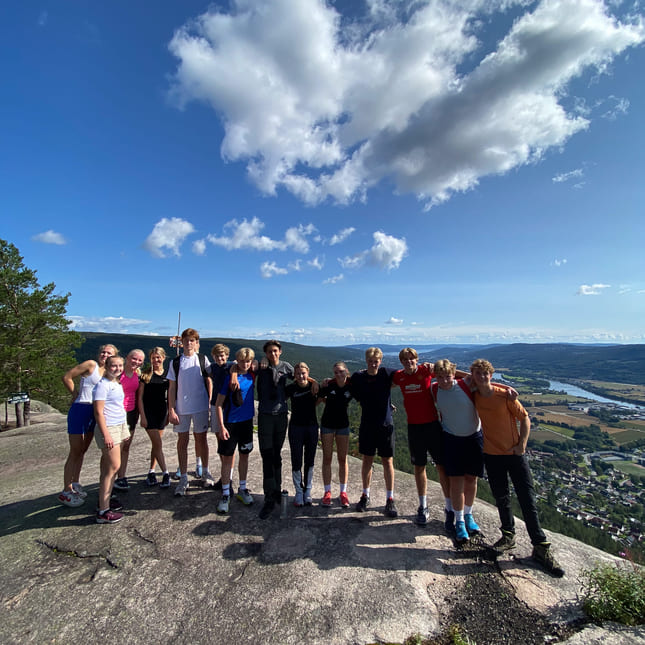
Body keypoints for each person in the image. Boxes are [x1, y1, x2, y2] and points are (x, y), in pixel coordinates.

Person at [470, 359, 565, 576]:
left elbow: (525, 418)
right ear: (473, 375)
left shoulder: (505, 396)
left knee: (527, 499)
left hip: (514, 455)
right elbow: (456, 375)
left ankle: (540, 547)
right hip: (491, 456)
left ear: (491, 375)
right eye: (478, 373)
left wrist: (521, 446)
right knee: (502, 498)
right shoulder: (474, 394)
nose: (482, 377)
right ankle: (508, 536)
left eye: (486, 373)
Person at [393, 348, 458, 527]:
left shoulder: (426, 370)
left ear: (417, 359)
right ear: (401, 362)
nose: (409, 362)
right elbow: (381, 383)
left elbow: (451, 373)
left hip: (432, 426)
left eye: (411, 358)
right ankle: (423, 506)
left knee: (441, 467)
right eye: (405, 359)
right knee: (419, 467)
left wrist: (479, 377)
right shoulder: (398, 376)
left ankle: (450, 508)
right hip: (414, 428)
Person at [59, 344, 118, 507]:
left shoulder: (109, 373)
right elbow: (67, 377)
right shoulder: (91, 365)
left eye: (109, 353)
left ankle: (75, 484)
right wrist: (75, 394)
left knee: (83, 450)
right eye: (103, 351)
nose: (105, 354)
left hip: (95, 413)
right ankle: (66, 490)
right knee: (75, 450)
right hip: (81, 409)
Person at [431, 359, 482, 543]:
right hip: (451, 439)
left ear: (454, 374)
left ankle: (469, 515)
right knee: (456, 482)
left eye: (448, 376)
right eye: (440, 376)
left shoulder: (464, 384)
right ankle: (459, 520)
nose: (444, 380)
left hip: (474, 437)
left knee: (472, 478)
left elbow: (478, 377)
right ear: (436, 377)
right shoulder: (434, 389)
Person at [350, 347, 398, 518]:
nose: (373, 364)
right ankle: (365, 494)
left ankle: (390, 498)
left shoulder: (386, 373)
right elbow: (347, 385)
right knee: (367, 461)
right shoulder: (358, 377)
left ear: (380, 361)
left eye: (376, 361)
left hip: (385, 425)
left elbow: (406, 375)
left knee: (387, 462)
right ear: (366, 361)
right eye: (370, 361)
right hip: (368, 425)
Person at [167, 328, 214, 496]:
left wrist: (209, 401)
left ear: (196, 343)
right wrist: (171, 409)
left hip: (200, 405)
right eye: (186, 340)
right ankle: (184, 476)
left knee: (201, 439)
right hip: (182, 408)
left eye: (192, 340)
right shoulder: (175, 362)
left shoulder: (202, 359)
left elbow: (210, 378)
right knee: (182, 441)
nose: (188, 343)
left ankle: (206, 471)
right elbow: (171, 387)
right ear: (182, 342)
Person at [214, 347, 256, 514]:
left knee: (244, 456)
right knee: (227, 459)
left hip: (246, 423)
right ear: (236, 361)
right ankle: (225, 493)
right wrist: (221, 426)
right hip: (231, 423)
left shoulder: (252, 374)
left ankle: (243, 489)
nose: (245, 364)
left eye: (248, 361)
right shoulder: (229, 379)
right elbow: (218, 404)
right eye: (242, 361)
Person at [256, 340, 294, 519]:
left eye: (275, 351)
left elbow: (301, 375)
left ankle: (277, 490)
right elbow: (237, 364)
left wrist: (315, 382)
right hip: (265, 415)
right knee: (267, 455)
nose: (273, 354)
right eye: (269, 352)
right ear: (265, 353)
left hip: (281, 416)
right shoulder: (260, 366)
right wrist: (260, 360)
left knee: (276, 454)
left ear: (281, 352)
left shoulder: (286, 367)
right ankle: (269, 496)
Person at [93, 355, 129, 524]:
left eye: (120, 365)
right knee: (113, 467)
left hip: (118, 425)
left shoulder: (115, 383)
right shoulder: (102, 385)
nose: (117, 368)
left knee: (109, 467)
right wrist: (106, 434)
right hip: (109, 428)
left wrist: (125, 428)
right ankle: (103, 511)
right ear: (106, 366)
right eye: (113, 366)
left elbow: (118, 407)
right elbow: (98, 412)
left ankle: (104, 501)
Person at [317, 362, 352, 508]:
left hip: (343, 425)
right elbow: (319, 397)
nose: (338, 374)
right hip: (327, 424)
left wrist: (388, 405)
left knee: (342, 459)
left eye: (341, 371)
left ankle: (343, 492)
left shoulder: (352, 385)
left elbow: (367, 397)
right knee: (327, 458)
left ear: (346, 372)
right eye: (336, 372)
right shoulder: (329, 384)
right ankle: (327, 492)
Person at [285, 362, 321, 507]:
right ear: (294, 374)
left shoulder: (314, 387)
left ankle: (308, 491)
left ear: (308, 373)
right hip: (296, 427)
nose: (301, 376)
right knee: (296, 459)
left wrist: (315, 381)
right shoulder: (291, 388)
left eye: (303, 373)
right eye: (298, 373)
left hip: (311, 427)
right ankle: (299, 491)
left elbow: (322, 398)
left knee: (310, 460)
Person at [138, 347, 171, 489]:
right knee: (158, 444)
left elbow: (170, 396)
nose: (156, 360)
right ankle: (165, 473)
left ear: (163, 358)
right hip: (148, 413)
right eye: (153, 357)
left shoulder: (168, 375)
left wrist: (170, 412)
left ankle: (151, 471)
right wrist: (143, 416)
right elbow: (139, 398)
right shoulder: (145, 375)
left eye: (158, 357)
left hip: (161, 412)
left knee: (155, 445)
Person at [114, 349, 145, 491]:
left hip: (131, 413)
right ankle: (110, 478)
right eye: (134, 359)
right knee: (115, 449)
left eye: (140, 360)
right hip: (116, 413)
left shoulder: (137, 375)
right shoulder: (116, 374)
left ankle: (121, 476)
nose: (136, 362)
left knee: (126, 446)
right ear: (127, 357)